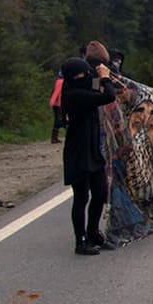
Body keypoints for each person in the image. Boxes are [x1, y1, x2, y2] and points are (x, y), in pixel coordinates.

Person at [60, 55, 119, 255]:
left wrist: (100, 72)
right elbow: (108, 96)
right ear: (71, 78)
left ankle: (94, 232)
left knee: (101, 191)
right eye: (79, 75)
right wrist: (105, 78)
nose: (83, 77)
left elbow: (95, 86)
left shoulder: (82, 88)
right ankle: (81, 240)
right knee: (81, 196)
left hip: (92, 149)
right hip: (78, 151)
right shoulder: (74, 94)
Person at [49, 71, 65, 144]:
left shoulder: (60, 81)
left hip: (59, 103)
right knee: (59, 119)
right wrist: (52, 101)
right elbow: (56, 92)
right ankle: (54, 138)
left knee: (59, 119)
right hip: (59, 104)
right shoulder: (60, 81)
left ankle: (54, 137)